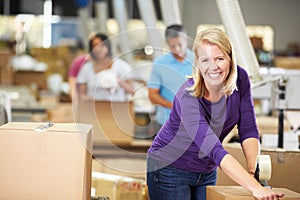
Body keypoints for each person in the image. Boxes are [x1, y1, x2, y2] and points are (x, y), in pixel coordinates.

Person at [146, 28, 285, 200]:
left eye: (220, 59)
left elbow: (247, 127)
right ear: (197, 63)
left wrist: (253, 167)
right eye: (205, 60)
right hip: (169, 168)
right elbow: (214, 149)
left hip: (206, 171)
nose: (214, 67)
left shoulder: (240, 78)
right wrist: (255, 188)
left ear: (230, 59)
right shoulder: (187, 98)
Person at [147, 24, 194, 136]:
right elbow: (152, 95)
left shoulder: (200, 61)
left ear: (186, 40)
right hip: (165, 124)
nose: (177, 49)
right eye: (172, 46)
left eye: (179, 45)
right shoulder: (160, 64)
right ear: (167, 43)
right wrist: (173, 105)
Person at [76, 33, 134, 101]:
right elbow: (81, 94)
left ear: (108, 46)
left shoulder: (121, 66)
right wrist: (93, 100)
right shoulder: (86, 68)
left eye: (102, 45)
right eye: (95, 46)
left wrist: (119, 82)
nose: (98, 49)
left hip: (117, 108)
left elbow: (132, 91)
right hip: (94, 109)